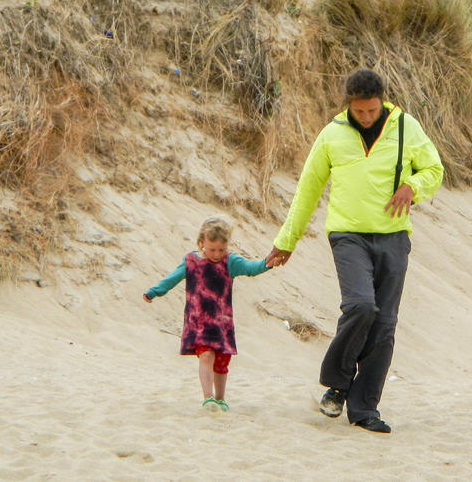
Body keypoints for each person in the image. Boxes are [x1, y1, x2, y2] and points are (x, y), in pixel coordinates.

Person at [265, 69, 443, 433]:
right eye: (359, 111)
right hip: (348, 236)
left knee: (384, 324)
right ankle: (338, 382)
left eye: (372, 111)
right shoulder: (332, 134)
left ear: (382, 103)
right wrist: (287, 240)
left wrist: (412, 186)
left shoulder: (407, 128)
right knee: (361, 305)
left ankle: (364, 410)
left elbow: (434, 169)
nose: (365, 117)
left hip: (393, 237)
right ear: (349, 103)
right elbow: (308, 190)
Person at [144, 216, 271, 412]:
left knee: (221, 362)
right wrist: (155, 291)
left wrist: (267, 263)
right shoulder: (191, 261)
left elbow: (251, 269)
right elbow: (172, 279)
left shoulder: (231, 262)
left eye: (221, 249)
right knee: (206, 356)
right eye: (212, 249)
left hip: (222, 323)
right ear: (201, 242)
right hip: (199, 322)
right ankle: (208, 397)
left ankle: (220, 399)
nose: (216, 254)